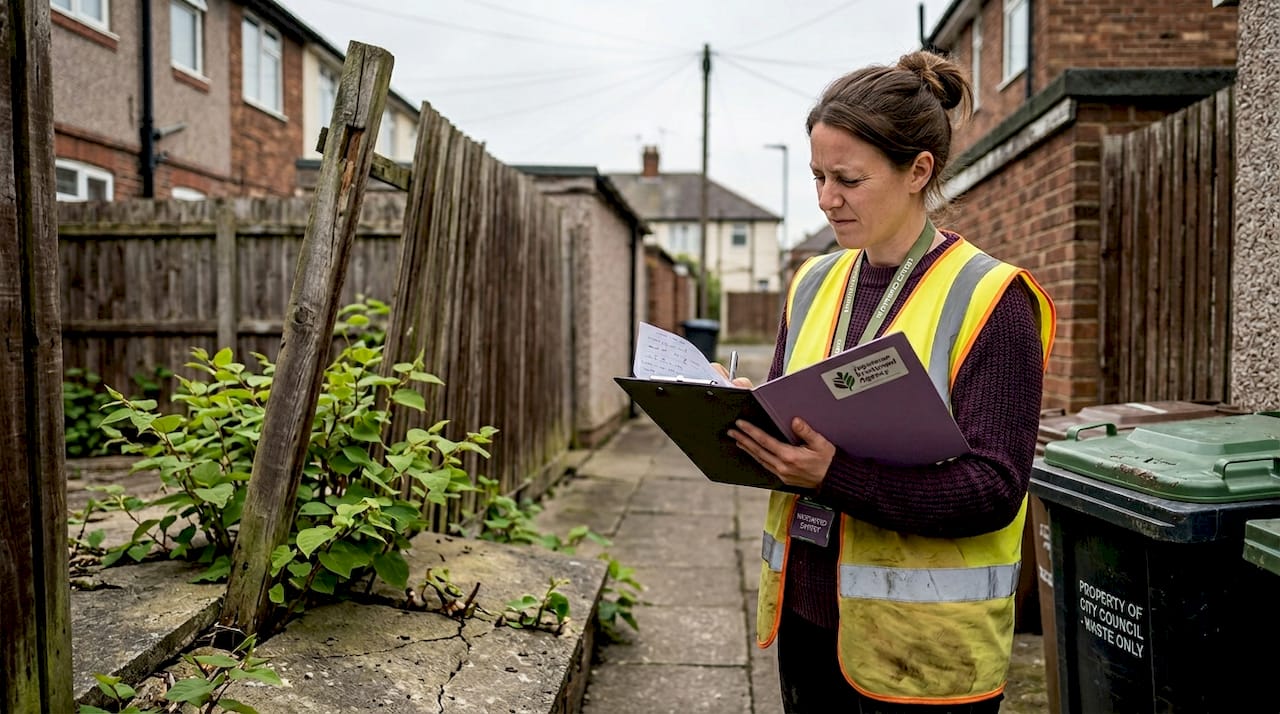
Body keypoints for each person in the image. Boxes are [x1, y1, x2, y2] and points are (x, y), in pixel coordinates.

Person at [715, 50, 1056, 713]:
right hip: (806, 623)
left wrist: (834, 476)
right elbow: (790, 421)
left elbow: (994, 489)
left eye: (848, 179)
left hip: (925, 657)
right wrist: (738, 413)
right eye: (818, 176)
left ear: (917, 171)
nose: (826, 199)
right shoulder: (813, 281)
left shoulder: (992, 298)